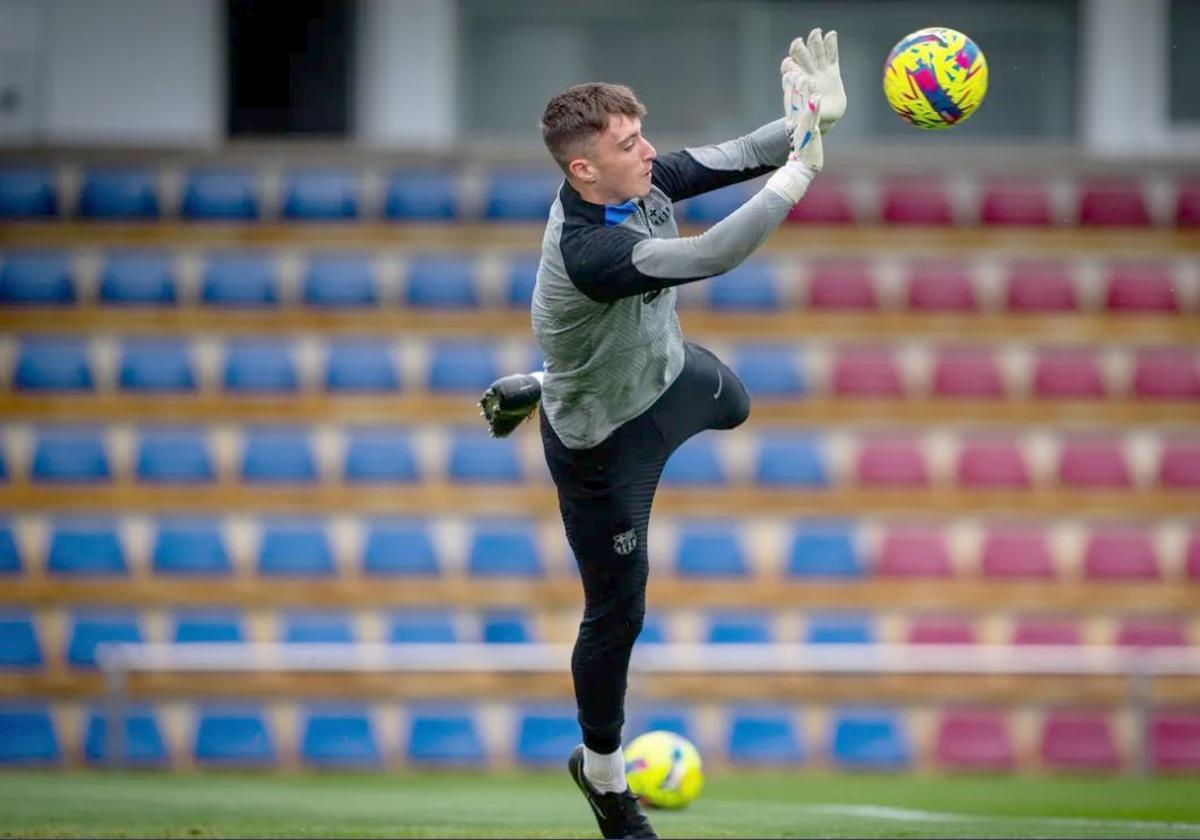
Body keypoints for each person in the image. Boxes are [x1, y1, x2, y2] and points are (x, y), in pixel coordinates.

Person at [480, 30, 846, 840]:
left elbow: (733, 153)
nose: (649, 149)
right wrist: (799, 177)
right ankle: (604, 776)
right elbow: (711, 252)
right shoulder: (590, 251)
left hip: (666, 377)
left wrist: (811, 121)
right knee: (620, 610)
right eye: (627, 141)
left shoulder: (639, 179)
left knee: (737, 401)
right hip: (604, 442)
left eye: (641, 132)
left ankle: (538, 380)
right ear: (583, 169)